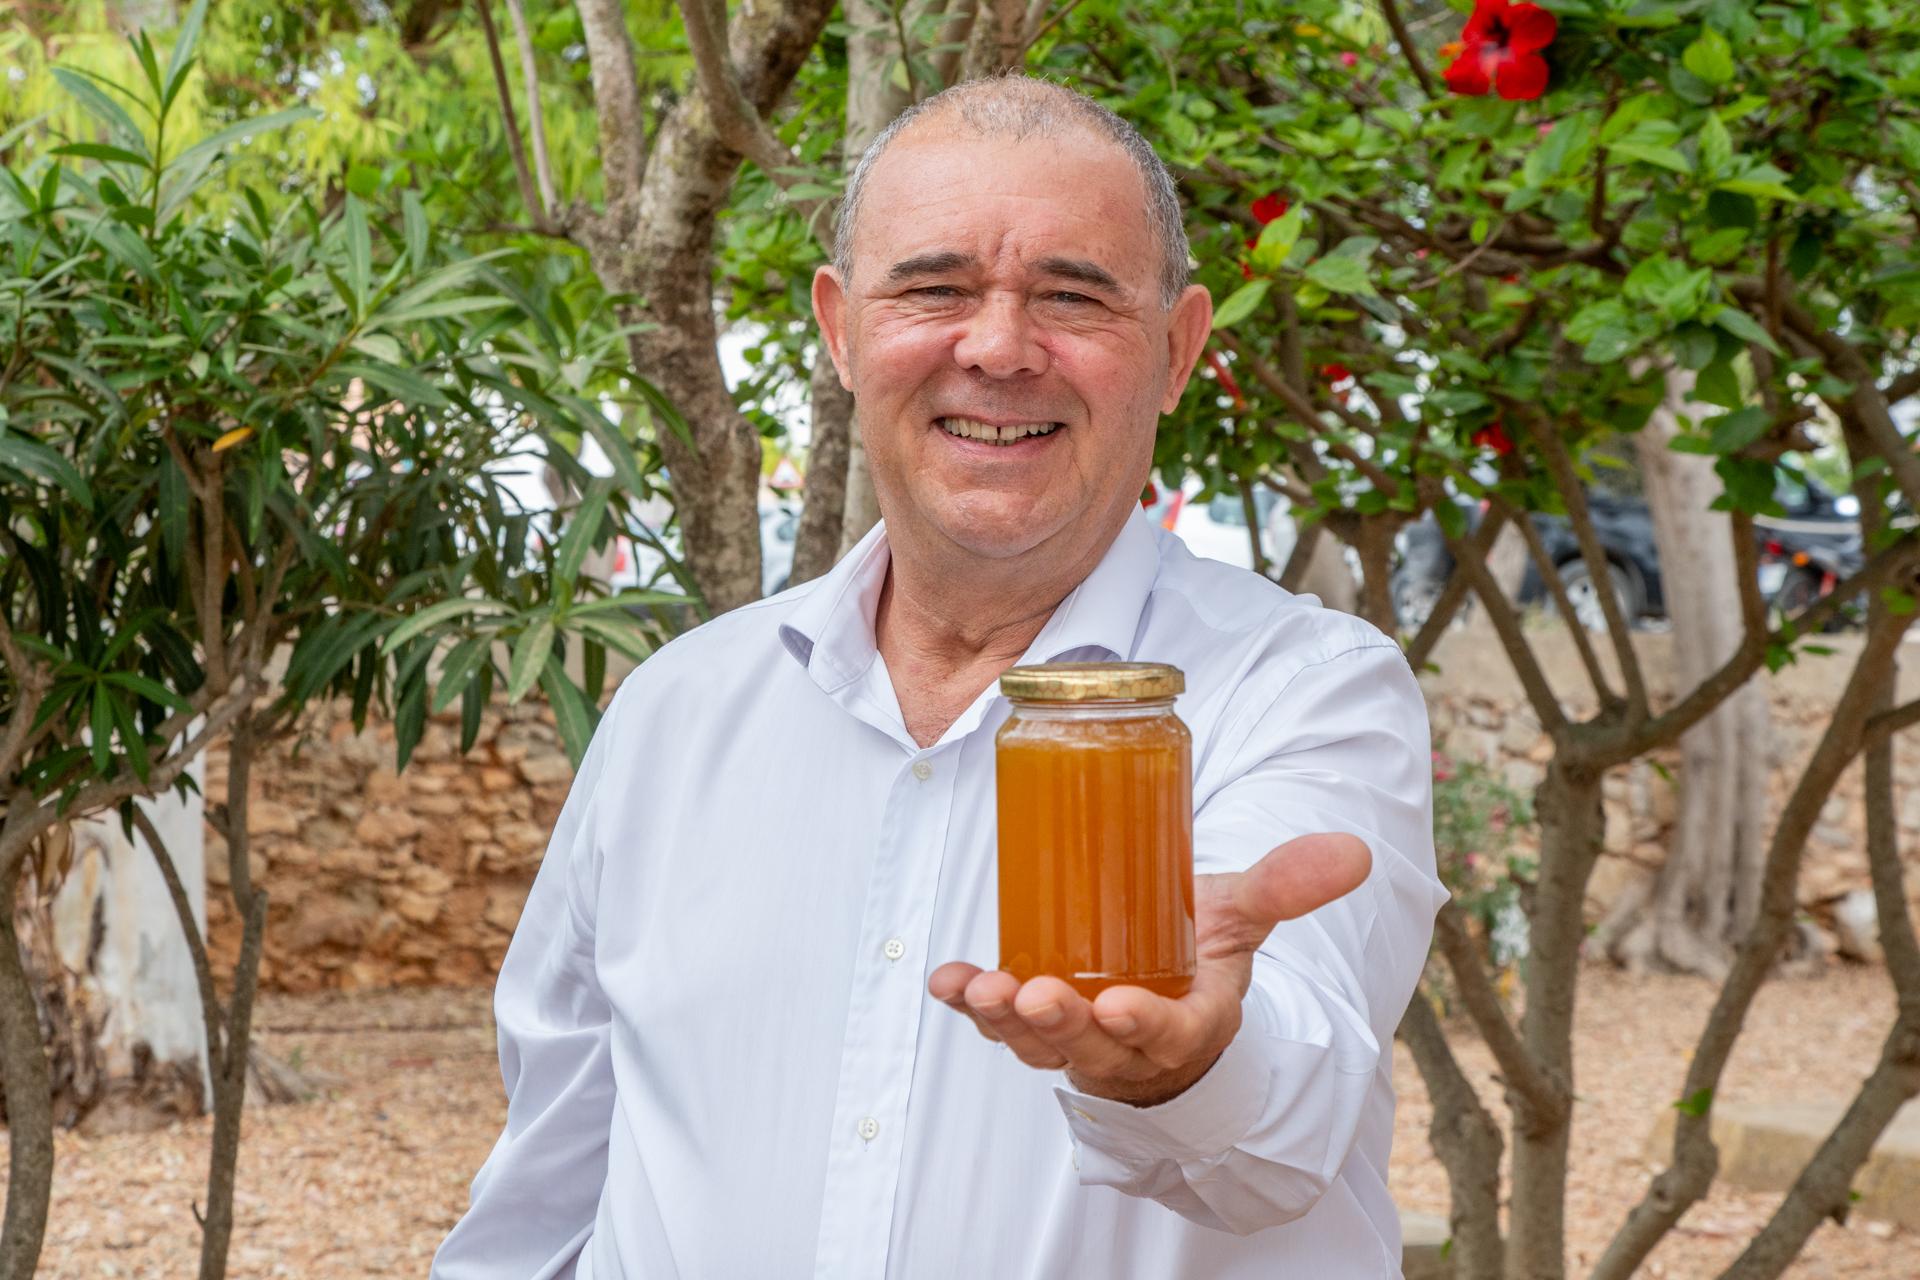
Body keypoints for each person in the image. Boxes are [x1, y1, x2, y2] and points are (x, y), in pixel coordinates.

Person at [433, 74, 1444, 1279]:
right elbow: (546, 1198)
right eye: (935, 287)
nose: (1000, 346)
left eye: (1073, 295)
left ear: (1177, 353)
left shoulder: (1305, 694)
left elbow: (1289, 1111)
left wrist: (1186, 1062)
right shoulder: (677, 710)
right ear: (842, 330)